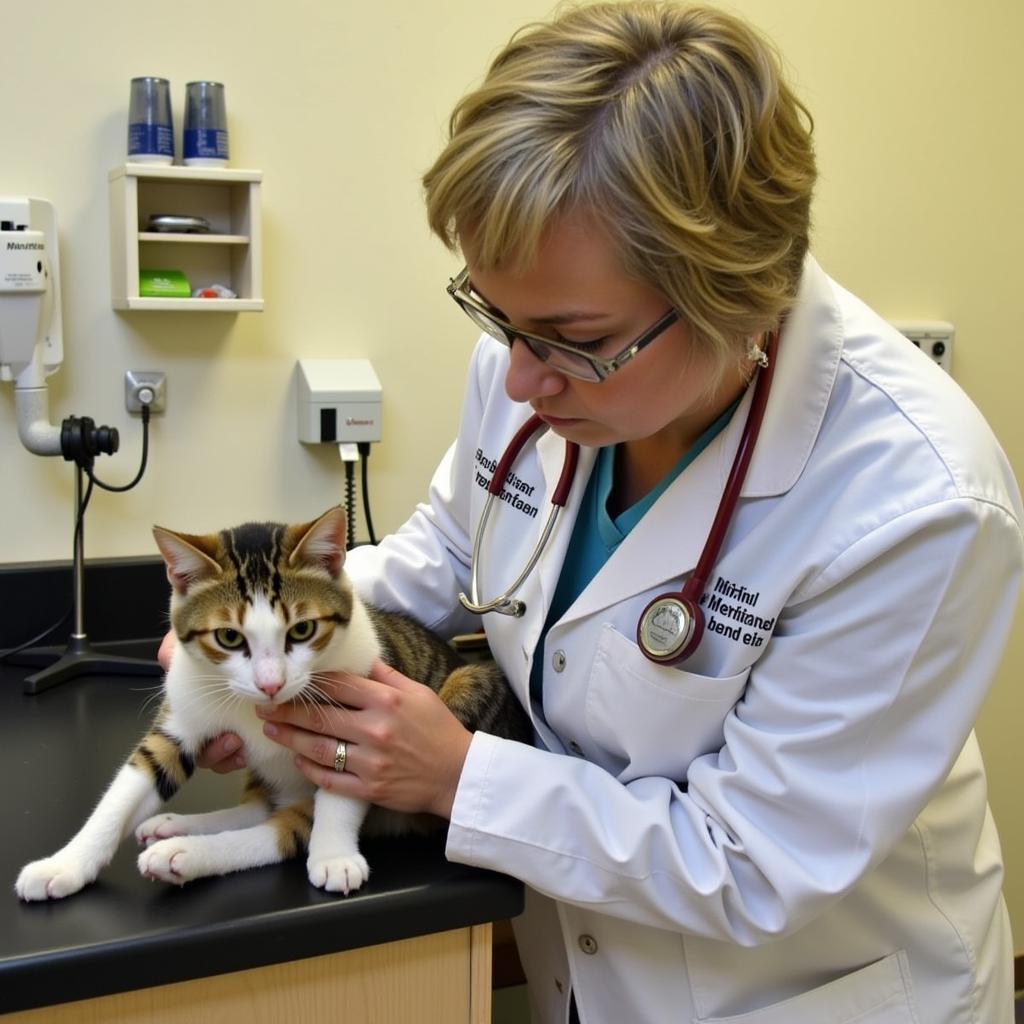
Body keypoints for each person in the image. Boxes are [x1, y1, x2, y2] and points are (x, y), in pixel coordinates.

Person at [182, 3, 1023, 1021]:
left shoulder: (913, 498)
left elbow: (748, 863)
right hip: (586, 959)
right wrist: (258, 645)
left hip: (801, 991)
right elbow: (450, 550)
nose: (520, 376)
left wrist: (459, 776)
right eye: (499, 318)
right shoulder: (534, 364)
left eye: (570, 338)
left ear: (735, 293)